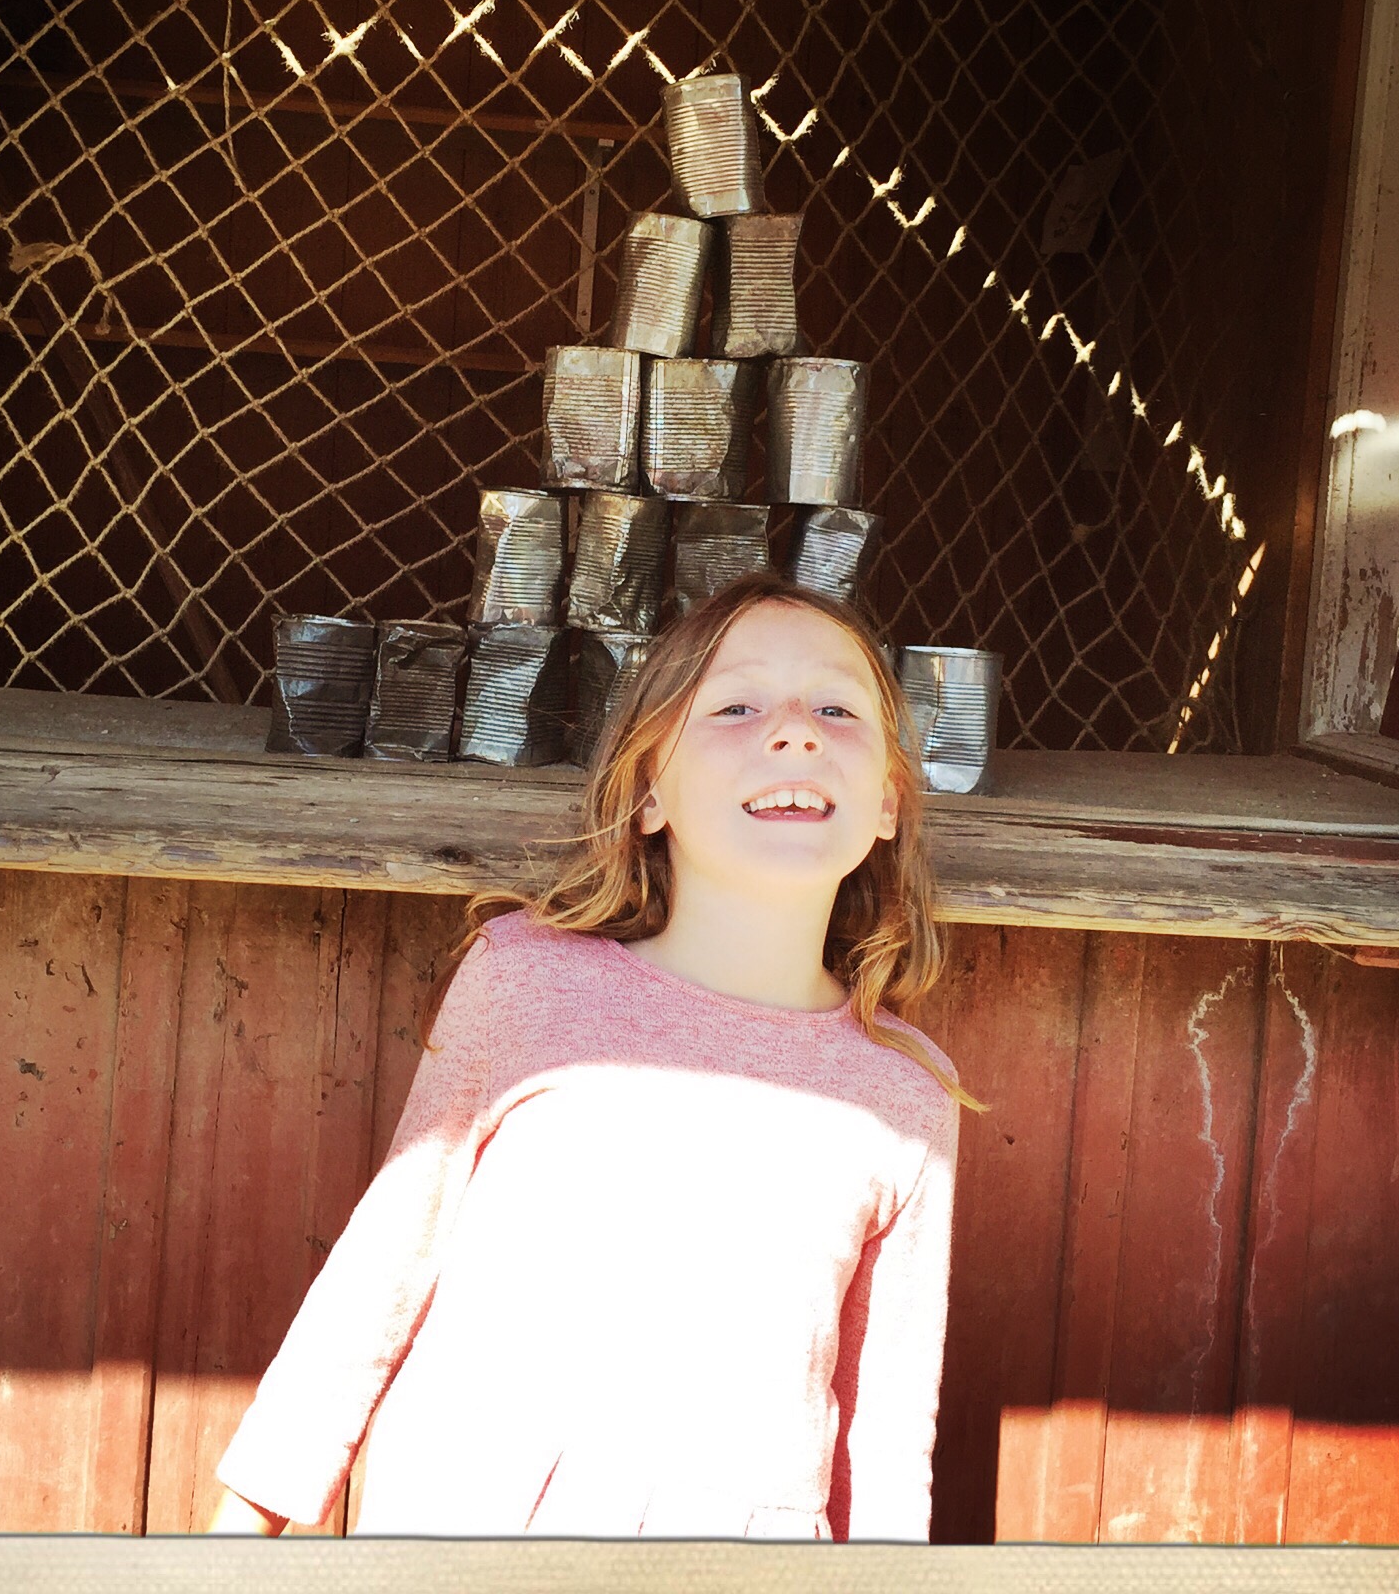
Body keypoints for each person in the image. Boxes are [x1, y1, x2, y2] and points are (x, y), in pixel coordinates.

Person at [205, 571, 980, 1541]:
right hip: (467, 1536)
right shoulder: (525, 978)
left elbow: (886, 1422)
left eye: (835, 708)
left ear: (889, 804)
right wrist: (244, 1531)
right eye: (735, 707)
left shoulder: (905, 1090)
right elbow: (387, 1264)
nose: (794, 733)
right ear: (648, 792)